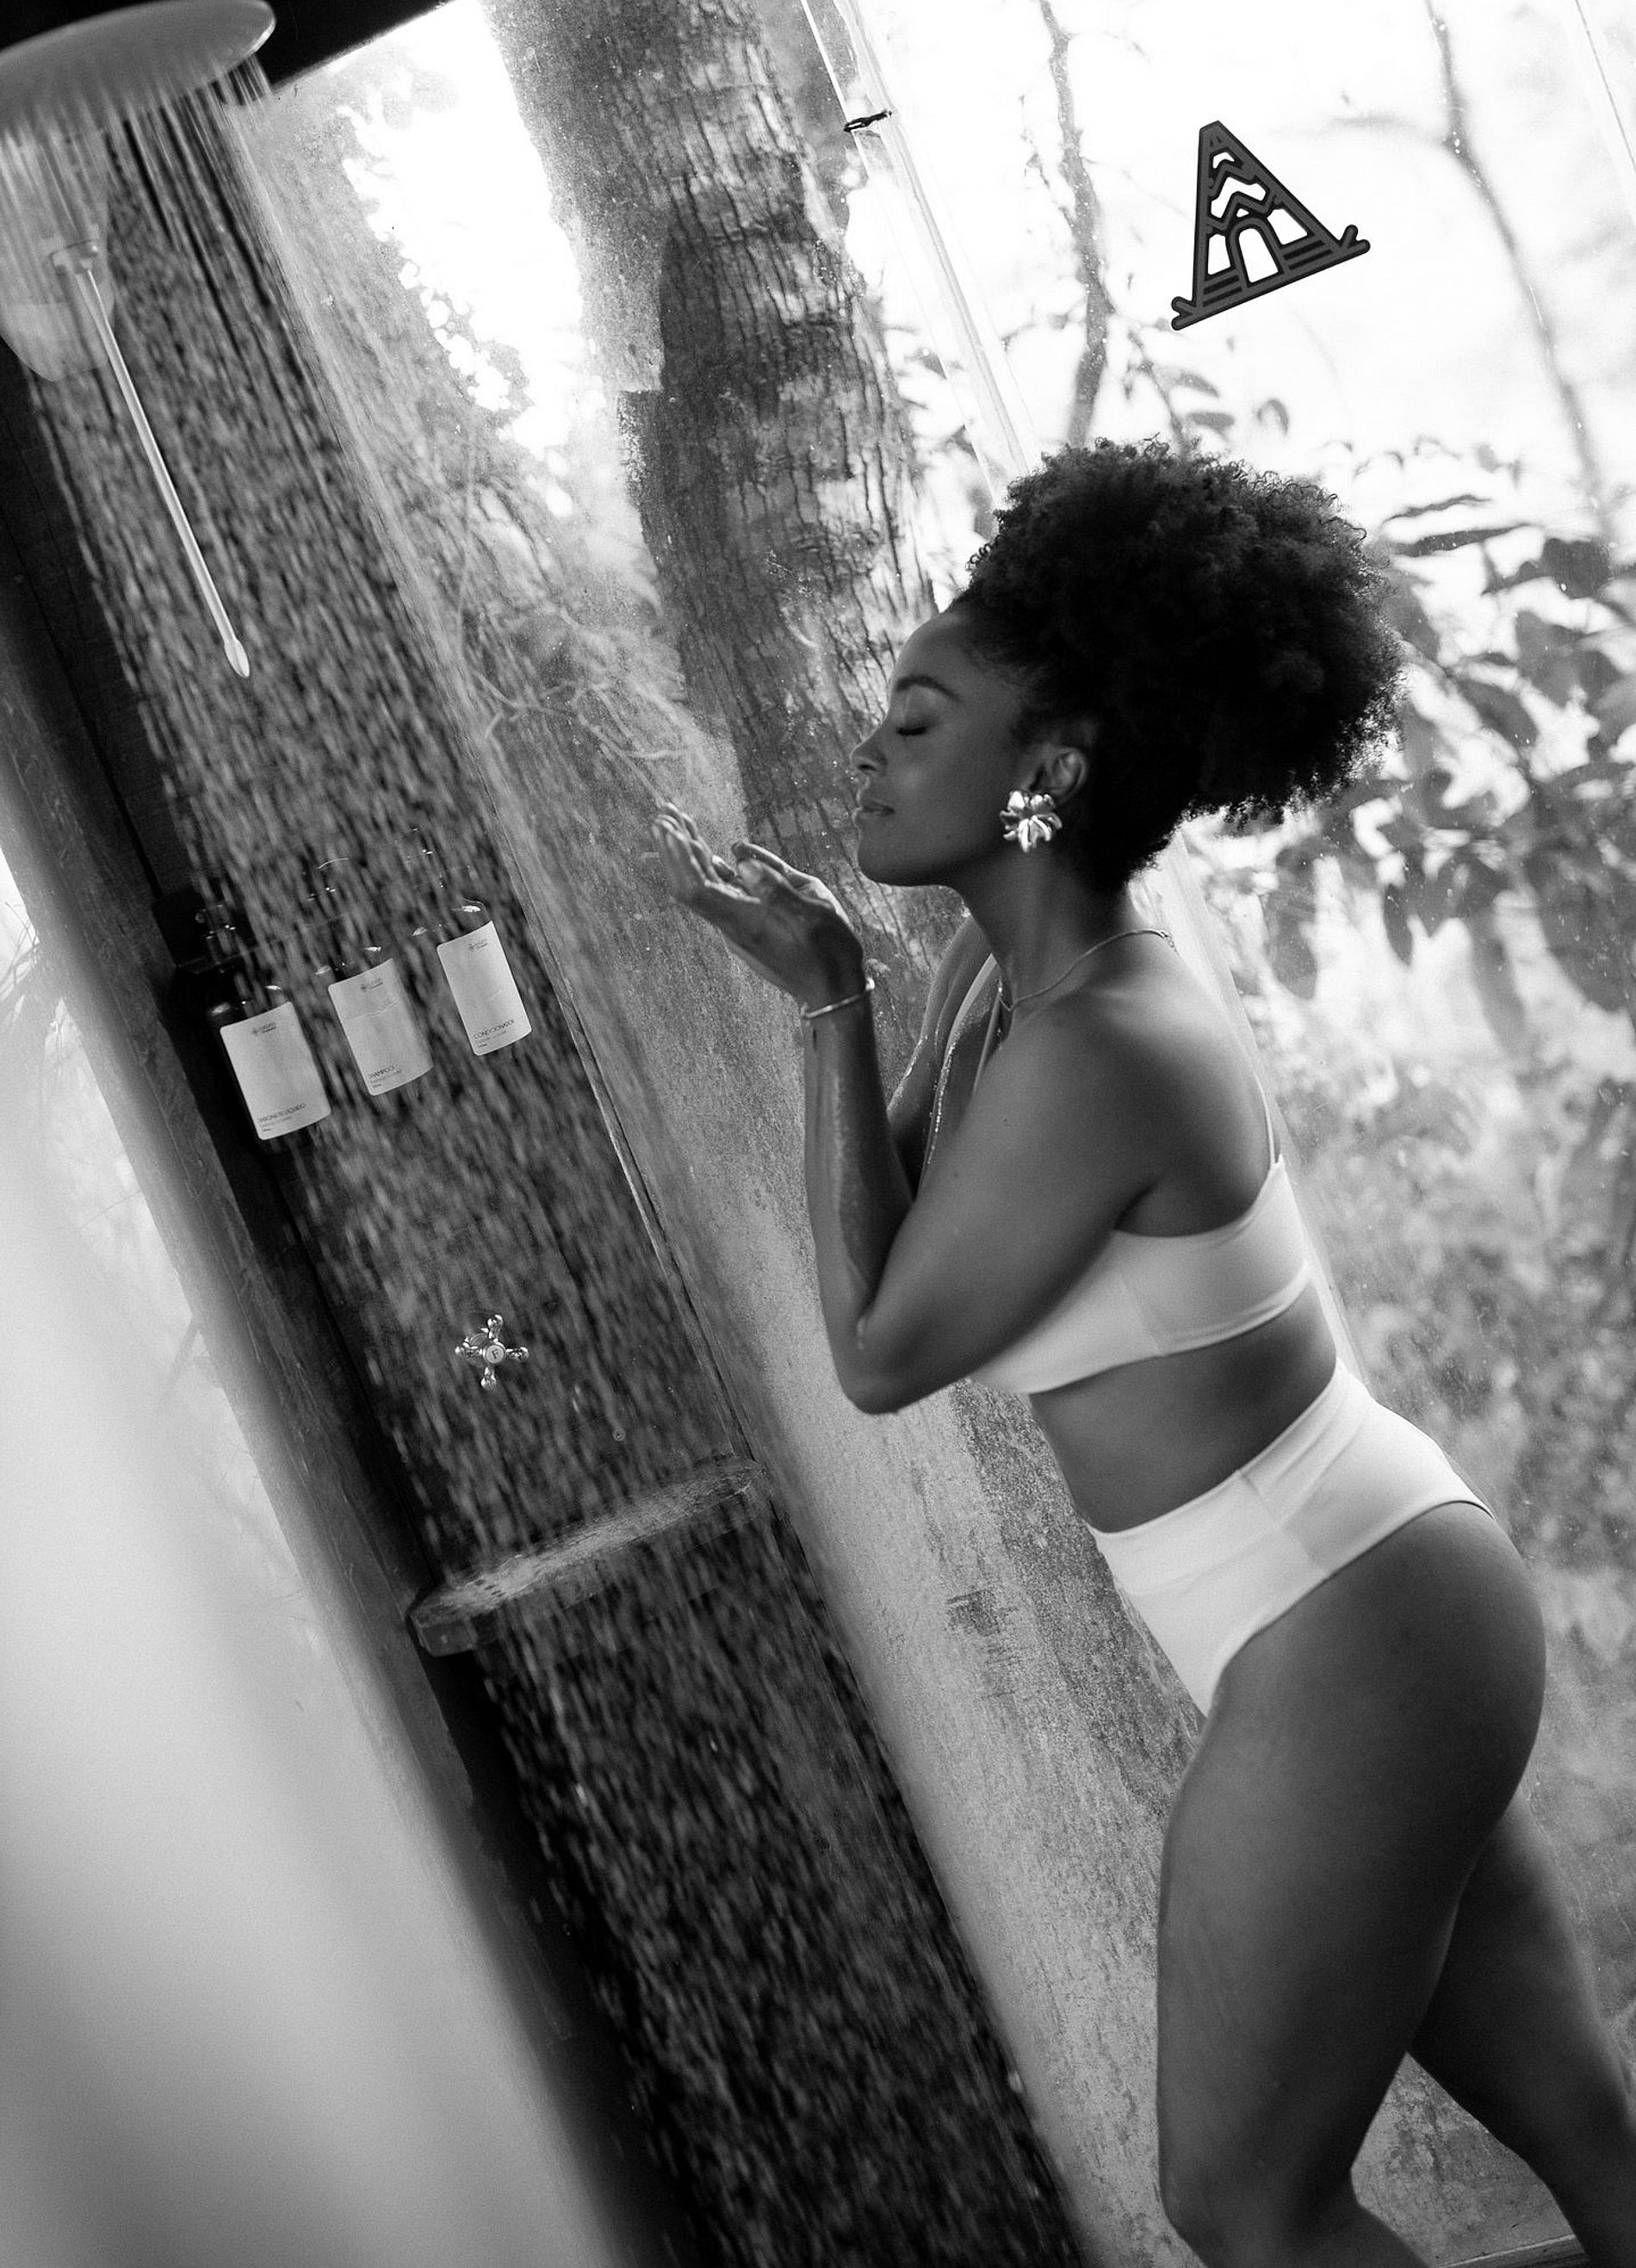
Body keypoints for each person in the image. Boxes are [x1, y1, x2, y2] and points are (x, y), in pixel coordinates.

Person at [651, 437, 1636, 2266]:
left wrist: (823, 1000)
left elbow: (877, 1348)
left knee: (1243, 2202)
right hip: (1371, 1602)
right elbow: (907, 1238)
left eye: (919, 719)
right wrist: (856, 994)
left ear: (1049, 771)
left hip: (1344, 1620)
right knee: (1587, 2126)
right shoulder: (1009, 983)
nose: (870, 748)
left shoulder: (1100, 1042)